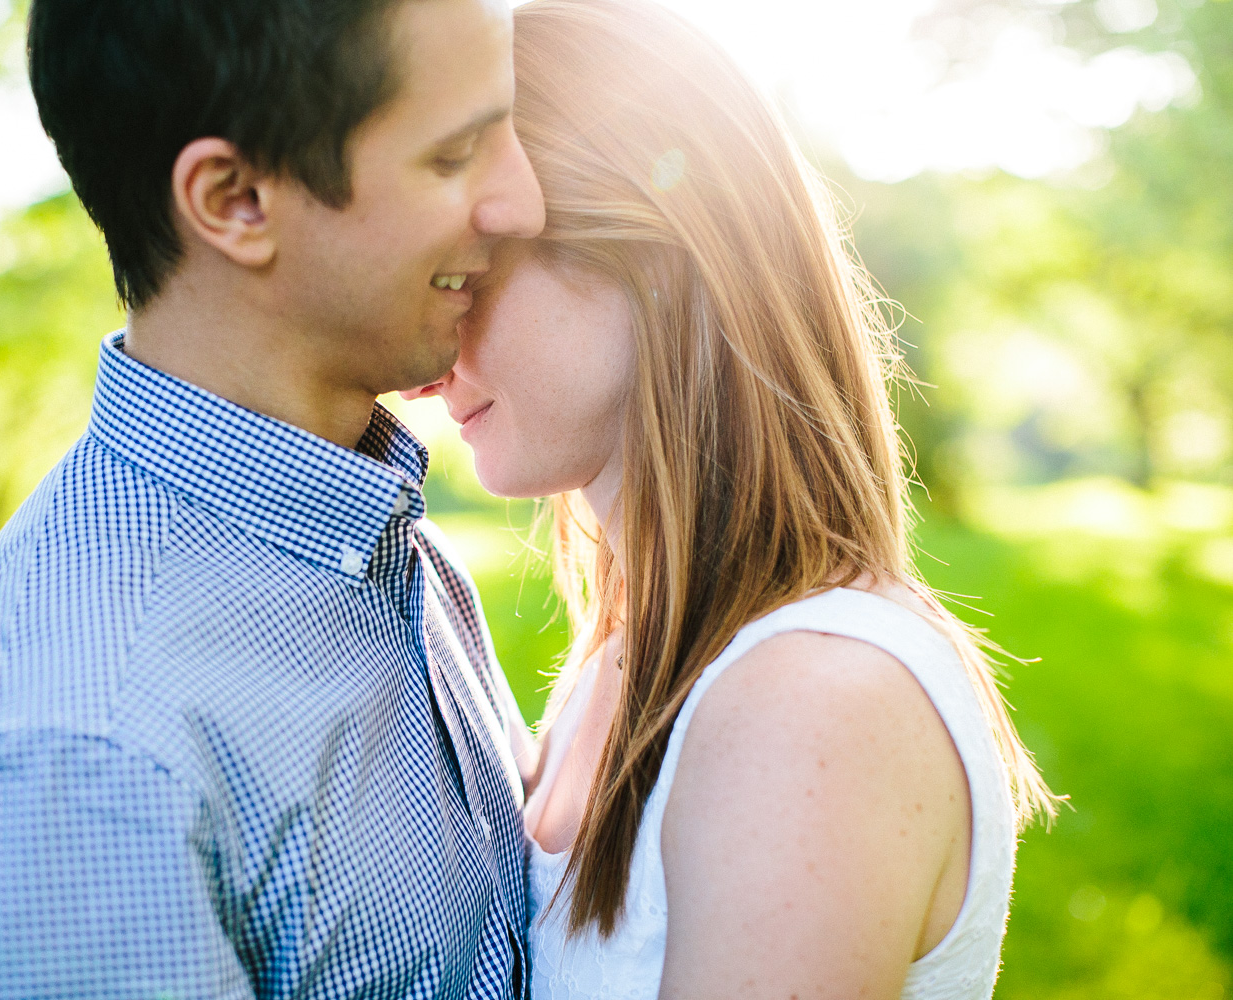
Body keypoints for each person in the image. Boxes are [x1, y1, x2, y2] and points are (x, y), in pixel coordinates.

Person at [0, 0, 544, 995]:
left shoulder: (387, 544)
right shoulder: (80, 759)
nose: (522, 202)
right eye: (455, 156)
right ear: (236, 199)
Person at [404, 1, 1060, 997]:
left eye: (464, 273)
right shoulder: (627, 652)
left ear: (652, 249)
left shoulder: (810, 702)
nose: (421, 358)